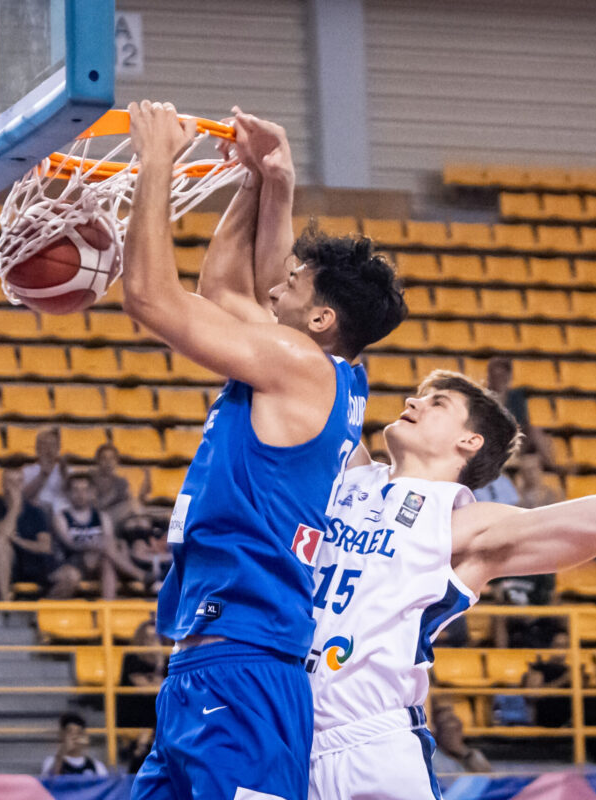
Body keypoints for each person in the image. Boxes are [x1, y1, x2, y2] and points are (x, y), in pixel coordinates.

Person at [306, 330, 596, 799]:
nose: (414, 401)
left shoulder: (467, 525)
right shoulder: (350, 474)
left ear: (470, 440)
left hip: (370, 746)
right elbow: (296, 369)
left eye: (438, 403)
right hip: (280, 723)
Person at [122, 103, 406, 800]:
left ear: (319, 320)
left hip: (247, 667)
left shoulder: (299, 365)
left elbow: (151, 299)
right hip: (214, 664)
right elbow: (222, 288)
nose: (275, 283)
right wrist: (262, 181)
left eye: (295, 283)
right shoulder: (318, 371)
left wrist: (156, 159)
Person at [0, 461, 78, 601]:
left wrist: (18, 541)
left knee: (72, 576)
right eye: (10, 482)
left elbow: (44, 546)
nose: (15, 486)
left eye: (18, 482)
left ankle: (42, 611)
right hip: (12, 564)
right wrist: (14, 508)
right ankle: (5, 600)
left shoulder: (36, 511)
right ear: (3, 484)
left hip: (37, 562)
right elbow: (1, 535)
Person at [52, 473, 145, 598]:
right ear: (68, 494)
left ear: (91, 492)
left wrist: (98, 547)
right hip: (72, 561)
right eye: (76, 490)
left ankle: (108, 609)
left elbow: (110, 543)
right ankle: (140, 575)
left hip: (98, 562)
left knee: (107, 560)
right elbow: (70, 544)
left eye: (85, 490)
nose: (80, 494)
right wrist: (94, 545)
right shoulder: (61, 517)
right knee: (105, 546)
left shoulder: (102, 517)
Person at [485, 356, 555, 469]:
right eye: (496, 376)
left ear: (508, 376)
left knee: (535, 430)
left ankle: (552, 466)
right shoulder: (483, 396)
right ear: (490, 377)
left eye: (503, 376)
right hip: (492, 441)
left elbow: (523, 422)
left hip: (515, 440)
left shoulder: (516, 396)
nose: (500, 379)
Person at [117, 620, 168, 774]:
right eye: (148, 638)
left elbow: (167, 688)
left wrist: (159, 663)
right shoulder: (132, 657)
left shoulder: (167, 660)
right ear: (140, 639)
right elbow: (146, 689)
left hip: (159, 716)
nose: (152, 642)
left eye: (155, 638)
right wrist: (158, 681)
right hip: (135, 715)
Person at [41, 712, 108, 778]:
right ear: (62, 735)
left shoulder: (97, 766)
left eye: (79, 732)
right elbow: (50, 784)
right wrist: (62, 752)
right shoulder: (51, 762)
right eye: (70, 732)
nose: (74, 736)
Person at [23, 428, 69, 512]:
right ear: (37, 448)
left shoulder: (64, 469)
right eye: (44, 444)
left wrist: (65, 475)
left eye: (52, 445)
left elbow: (74, 496)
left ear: (58, 448)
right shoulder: (27, 470)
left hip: (61, 512)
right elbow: (23, 497)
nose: (49, 449)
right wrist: (42, 475)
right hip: (37, 513)